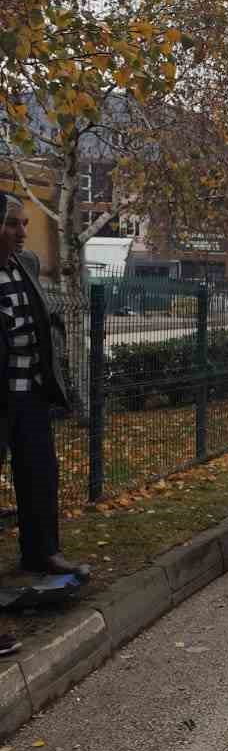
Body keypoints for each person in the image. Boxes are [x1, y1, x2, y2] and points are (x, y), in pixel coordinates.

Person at [0, 193, 89, 585]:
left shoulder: (27, 265)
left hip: (31, 396)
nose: (22, 232)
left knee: (39, 475)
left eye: (23, 224)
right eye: (13, 224)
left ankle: (43, 553)